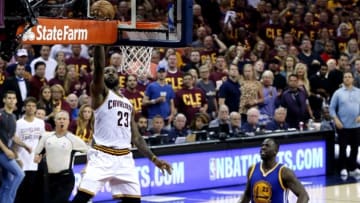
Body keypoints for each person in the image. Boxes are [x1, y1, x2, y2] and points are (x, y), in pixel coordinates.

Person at [71, 46, 172, 203]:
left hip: (125, 157)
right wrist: (99, 43)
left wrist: (154, 159)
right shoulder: (100, 94)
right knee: (82, 197)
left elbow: (137, 138)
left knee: (133, 201)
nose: (110, 73)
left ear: (118, 76)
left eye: (113, 71)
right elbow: (98, 66)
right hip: (102, 156)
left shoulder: (127, 103)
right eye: (107, 71)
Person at [34, 110, 89, 203]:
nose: (62, 121)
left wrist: (87, 166)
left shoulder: (73, 139)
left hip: (66, 178)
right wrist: (38, 157)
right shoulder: (46, 137)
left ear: (68, 121)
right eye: (59, 119)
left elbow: (90, 152)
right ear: (55, 121)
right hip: (49, 178)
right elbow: (38, 153)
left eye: (64, 119)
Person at [238, 138, 309, 203]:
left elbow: (304, 195)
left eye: (267, 146)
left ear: (275, 151)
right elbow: (247, 195)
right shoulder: (252, 169)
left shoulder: (284, 172)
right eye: (262, 145)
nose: (263, 147)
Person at [0, 91, 31, 203]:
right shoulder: (1, 114)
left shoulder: (13, 116)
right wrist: (6, 150)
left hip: (6, 152)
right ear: (4, 100)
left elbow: (12, 136)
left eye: (14, 98)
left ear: (17, 101)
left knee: (7, 182)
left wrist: (25, 145)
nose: (11, 100)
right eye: (9, 98)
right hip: (2, 153)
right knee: (20, 174)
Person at [14, 97, 46, 203]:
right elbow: (14, 141)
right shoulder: (18, 123)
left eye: (33, 106)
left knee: (32, 190)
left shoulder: (40, 123)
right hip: (22, 161)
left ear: (36, 108)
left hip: (34, 161)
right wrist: (17, 158)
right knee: (21, 190)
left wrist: (41, 154)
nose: (31, 108)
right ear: (24, 107)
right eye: (28, 106)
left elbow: (43, 139)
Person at [329, 71, 360, 177]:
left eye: (349, 77)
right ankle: (343, 167)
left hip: (356, 126)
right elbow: (331, 108)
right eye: (345, 77)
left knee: (355, 148)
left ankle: (353, 167)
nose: (347, 78)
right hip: (343, 126)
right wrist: (336, 120)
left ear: (353, 79)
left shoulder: (358, 92)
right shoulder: (338, 93)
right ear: (343, 79)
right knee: (343, 148)